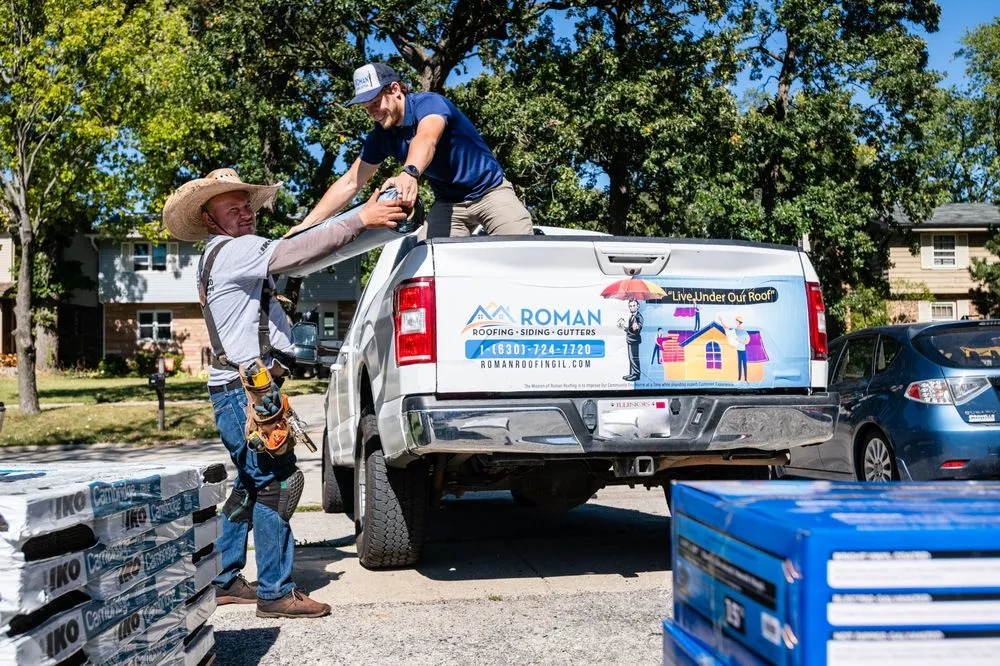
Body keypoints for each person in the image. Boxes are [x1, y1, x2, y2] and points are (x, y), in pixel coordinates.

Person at [162, 168, 406, 619]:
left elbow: (298, 250)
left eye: (246, 205)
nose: (244, 214)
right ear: (208, 217)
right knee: (279, 484)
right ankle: (275, 591)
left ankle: (225, 579)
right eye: (230, 208)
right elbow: (298, 251)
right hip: (246, 393)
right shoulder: (236, 250)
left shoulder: (221, 254)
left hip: (238, 390)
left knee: (251, 486)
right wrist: (363, 216)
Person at [287, 62, 533, 240]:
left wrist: (409, 172)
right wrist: (307, 225)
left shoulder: (430, 104)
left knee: (520, 253)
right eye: (366, 107)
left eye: (376, 102)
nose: (373, 112)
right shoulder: (381, 135)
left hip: (490, 191)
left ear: (395, 89)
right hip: (449, 203)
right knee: (427, 262)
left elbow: (427, 137)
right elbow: (351, 182)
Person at [617, 299, 643, 381]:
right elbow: (630, 330)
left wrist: (637, 327)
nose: (632, 307)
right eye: (630, 306)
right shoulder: (631, 317)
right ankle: (632, 373)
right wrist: (623, 327)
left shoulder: (638, 317)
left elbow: (637, 328)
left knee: (634, 358)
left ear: (638, 306)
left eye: (634, 306)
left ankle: (636, 374)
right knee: (631, 358)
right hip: (630, 340)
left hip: (634, 340)